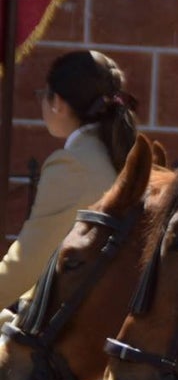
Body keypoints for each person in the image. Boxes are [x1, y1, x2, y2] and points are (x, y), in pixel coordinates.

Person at [0, 50, 138, 311]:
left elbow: (26, 265)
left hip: (70, 325)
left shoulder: (73, 164)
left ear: (58, 103)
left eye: (44, 95)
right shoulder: (119, 153)